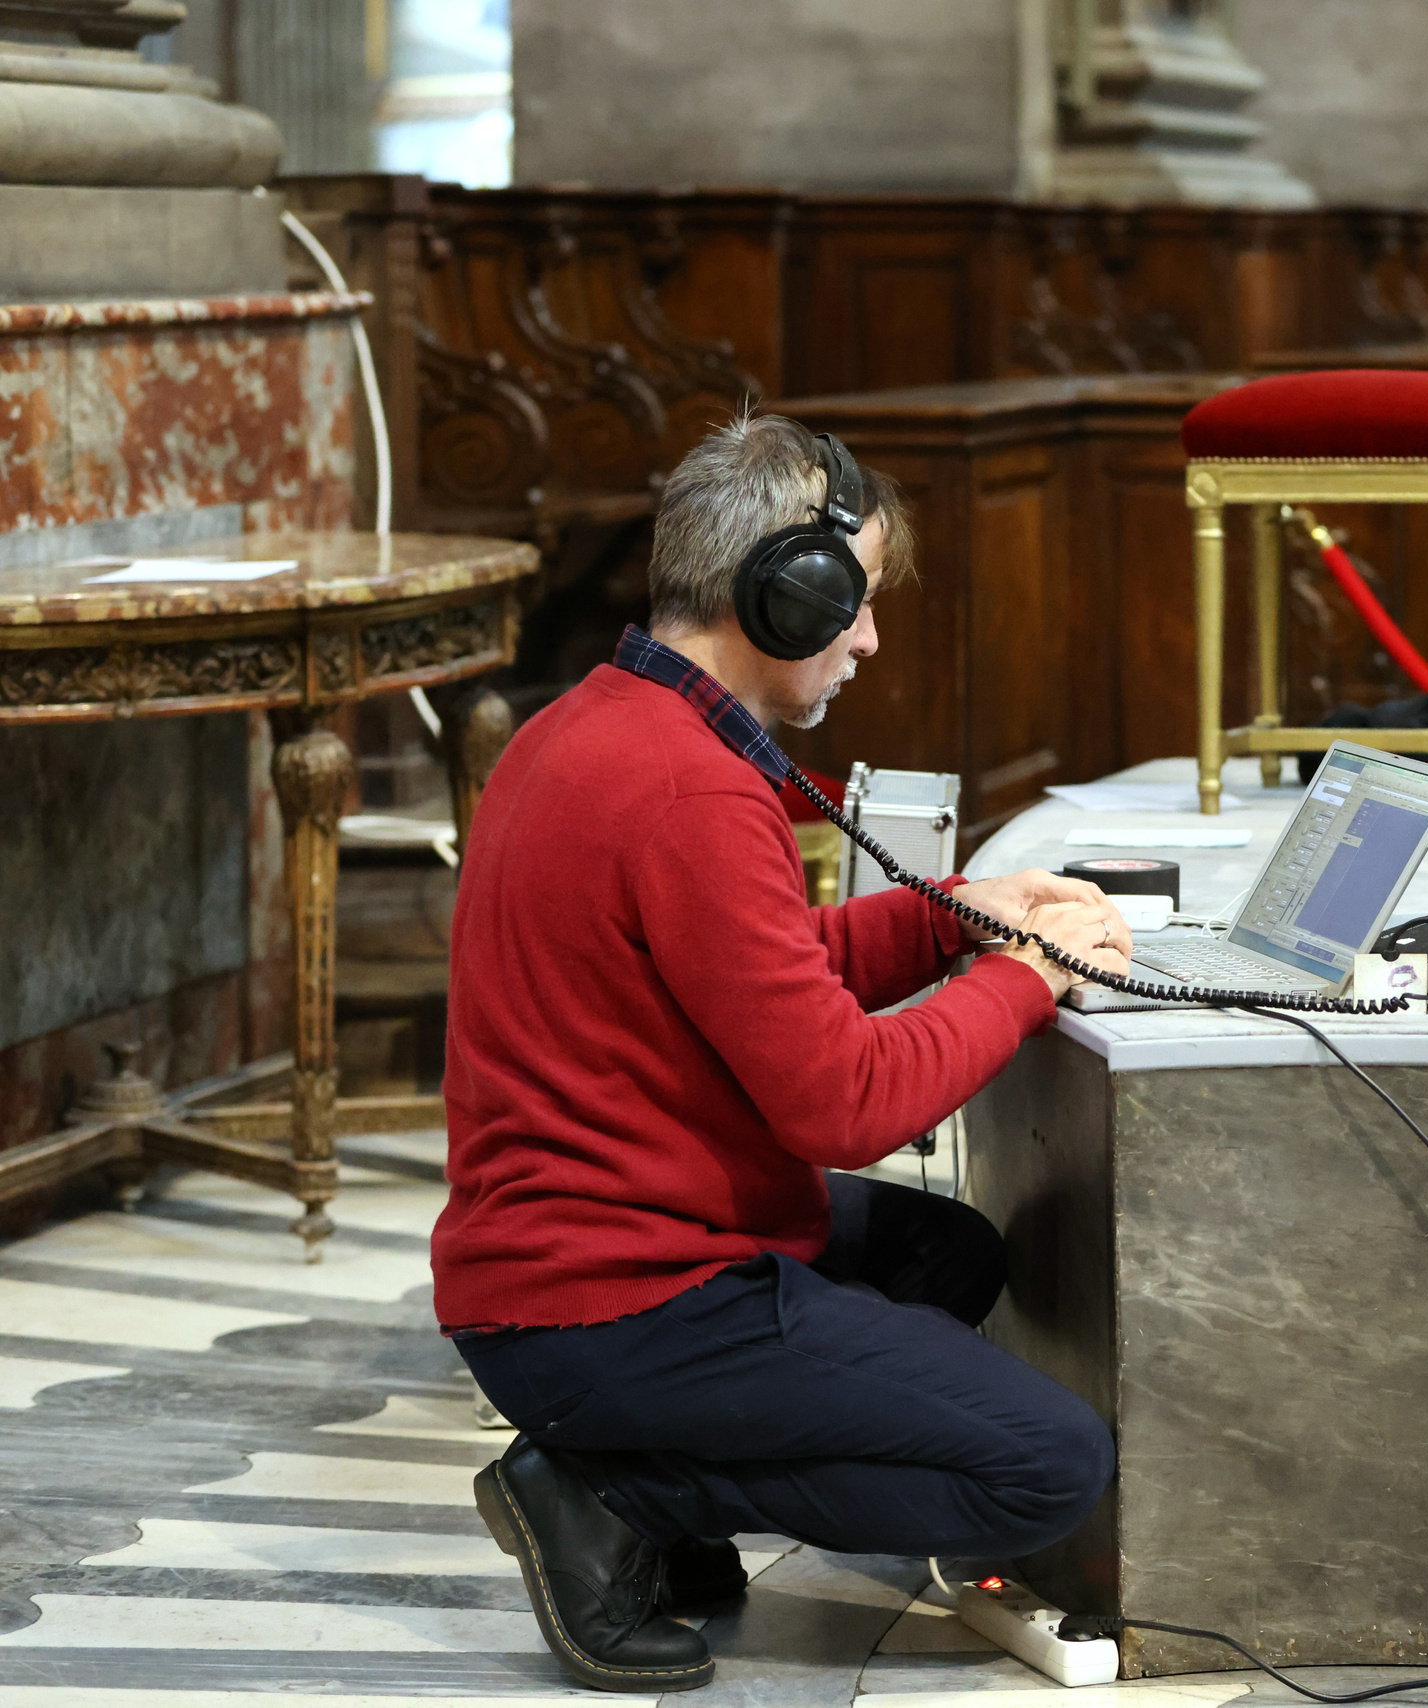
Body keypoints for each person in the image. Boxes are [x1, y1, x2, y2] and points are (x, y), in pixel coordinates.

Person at [431, 411, 1131, 1694]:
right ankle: (616, 1494)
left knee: (949, 1253)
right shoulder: (691, 789)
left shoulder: (594, 723)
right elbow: (844, 1102)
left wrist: (956, 913)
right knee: (1051, 1464)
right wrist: (1026, 979)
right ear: (786, 594)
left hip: (558, 1265)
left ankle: (660, 1493)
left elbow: (758, 964)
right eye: (855, 602)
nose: (867, 639)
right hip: (612, 1299)